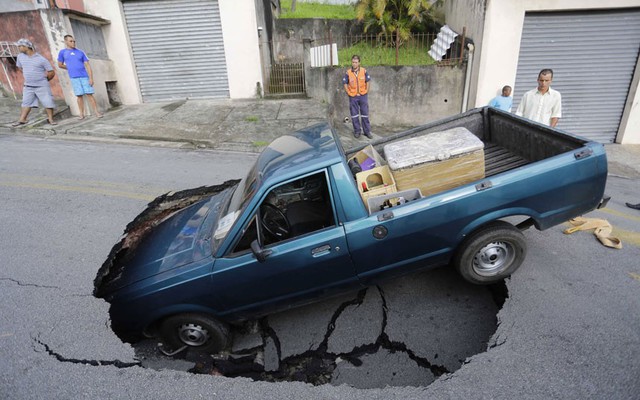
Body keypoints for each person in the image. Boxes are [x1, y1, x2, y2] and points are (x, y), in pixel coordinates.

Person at [11, 38, 57, 126]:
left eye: (20, 46)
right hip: (28, 85)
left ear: (27, 47)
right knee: (26, 102)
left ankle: (51, 119)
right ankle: (22, 119)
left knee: (48, 101)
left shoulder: (41, 59)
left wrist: (44, 80)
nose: (19, 48)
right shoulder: (20, 57)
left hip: (42, 85)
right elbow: (20, 68)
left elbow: (51, 72)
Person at [57, 34, 102, 119]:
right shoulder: (63, 52)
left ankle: (96, 112)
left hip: (84, 76)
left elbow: (87, 65)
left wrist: (91, 78)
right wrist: (70, 68)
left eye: (74, 41)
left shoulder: (80, 52)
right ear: (66, 42)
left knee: (89, 94)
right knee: (79, 96)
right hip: (74, 78)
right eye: (71, 41)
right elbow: (60, 65)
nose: (73, 43)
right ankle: (81, 114)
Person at [342, 55, 372, 139]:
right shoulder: (348, 72)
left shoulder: (364, 71)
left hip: (363, 96)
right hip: (353, 96)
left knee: (365, 114)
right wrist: (348, 92)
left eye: (356, 62)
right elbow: (345, 82)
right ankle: (357, 131)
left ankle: (367, 132)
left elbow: (368, 81)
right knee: (354, 115)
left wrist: (366, 91)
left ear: (359, 63)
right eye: (353, 62)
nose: (354, 64)